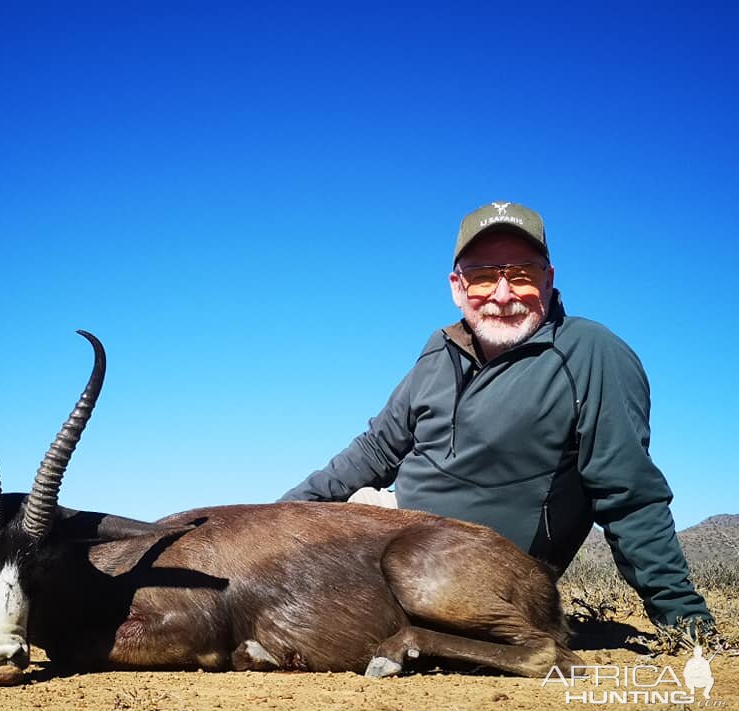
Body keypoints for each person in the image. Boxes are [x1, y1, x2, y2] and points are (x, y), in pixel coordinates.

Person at [280, 200, 712, 629]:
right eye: (483, 277)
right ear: (457, 286)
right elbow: (374, 451)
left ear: (548, 280)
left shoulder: (591, 353)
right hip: (390, 528)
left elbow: (629, 494)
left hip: (478, 573)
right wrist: (271, 515)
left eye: (521, 275)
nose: (502, 296)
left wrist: (683, 618)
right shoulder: (440, 350)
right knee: (264, 571)